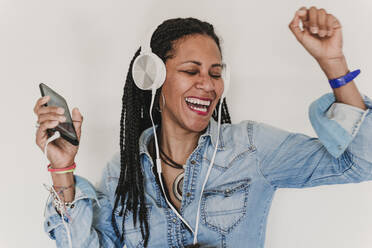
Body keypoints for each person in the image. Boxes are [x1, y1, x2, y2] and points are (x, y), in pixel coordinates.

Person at [34, 6, 372, 248]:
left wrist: (333, 63)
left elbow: (362, 161)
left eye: (214, 73)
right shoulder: (121, 174)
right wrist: (62, 169)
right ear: (154, 77)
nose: (207, 85)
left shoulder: (252, 148)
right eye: (191, 71)